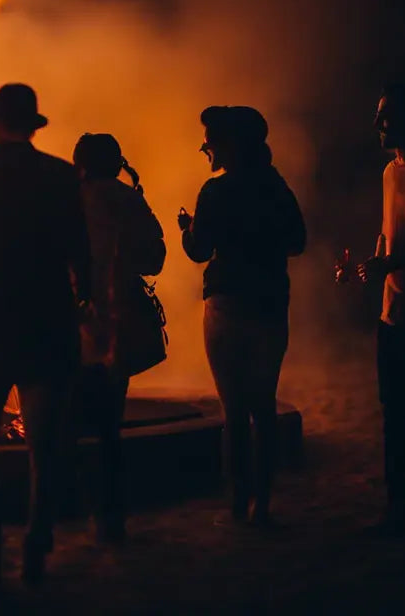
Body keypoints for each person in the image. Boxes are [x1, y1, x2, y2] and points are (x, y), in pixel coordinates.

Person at [0, 83, 91, 590]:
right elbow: (80, 252)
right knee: (45, 446)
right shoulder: (59, 176)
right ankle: (37, 539)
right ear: (33, 126)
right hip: (47, 324)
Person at [179, 105, 305, 528]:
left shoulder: (214, 192)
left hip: (227, 305)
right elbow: (297, 241)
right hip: (269, 304)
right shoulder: (276, 187)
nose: (205, 147)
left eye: (211, 141)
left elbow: (199, 249)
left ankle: (238, 500)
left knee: (233, 410)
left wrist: (186, 229)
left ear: (231, 145)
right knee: (263, 406)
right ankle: (263, 502)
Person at [70, 133, 166, 544]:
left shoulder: (67, 201)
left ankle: (78, 506)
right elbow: (155, 257)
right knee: (110, 422)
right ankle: (111, 514)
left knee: (72, 419)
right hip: (119, 322)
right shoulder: (130, 200)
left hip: (72, 321)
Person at [358, 82, 405, 536]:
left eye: (388, 115)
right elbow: (391, 232)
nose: (379, 123)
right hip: (394, 313)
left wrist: (389, 261)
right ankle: (399, 505)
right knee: (394, 413)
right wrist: (374, 261)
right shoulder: (388, 172)